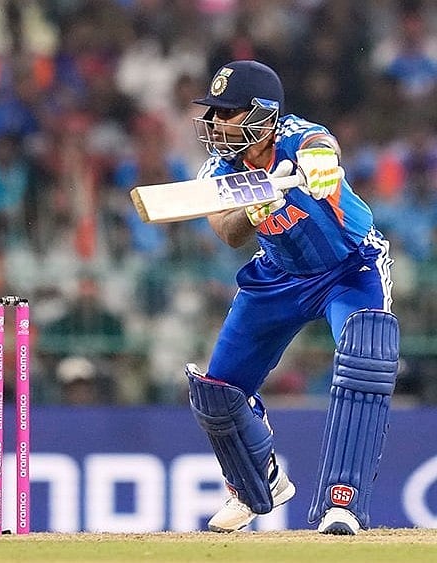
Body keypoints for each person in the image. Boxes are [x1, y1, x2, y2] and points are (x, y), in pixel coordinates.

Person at [186, 60, 397, 536]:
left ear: (262, 114)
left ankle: (343, 503)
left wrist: (322, 164)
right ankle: (256, 484)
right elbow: (226, 231)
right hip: (278, 275)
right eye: (214, 114)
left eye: (227, 113)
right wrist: (251, 210)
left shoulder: (297, 136)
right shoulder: (221, 169)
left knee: (365, 358)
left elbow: (322, 142)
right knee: (218, 393)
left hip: (349, 267)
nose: (216, 124)